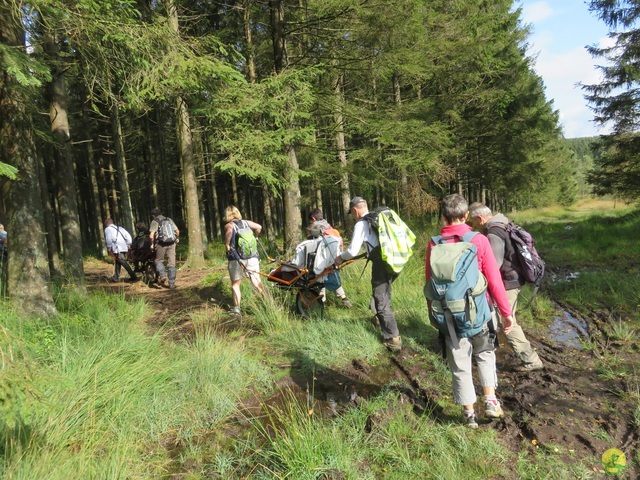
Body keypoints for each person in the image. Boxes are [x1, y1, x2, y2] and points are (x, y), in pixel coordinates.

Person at [425, 194, 514, 428]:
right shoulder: (478, 240)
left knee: (459, 362)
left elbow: (429, 284)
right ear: (466, 215)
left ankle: (469, 414)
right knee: (485, 354)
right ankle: (491, 402)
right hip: (479, 311)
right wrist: (506, 312)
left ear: (442, 216)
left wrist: (434, 315)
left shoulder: (434, 244)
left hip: (447, 313)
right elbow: (494, 279)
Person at [468, 202, 545, 372]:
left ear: (480, 218)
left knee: (508, 322)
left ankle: (531, 360)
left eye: (473, 223)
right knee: (506, 318)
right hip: (515, 279)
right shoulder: (504, 222)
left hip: (508, 283)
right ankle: (491, 347)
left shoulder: (494, 232)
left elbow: (493, 265)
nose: (474, 227)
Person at [334, 196, 402, 351]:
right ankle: (379, 319)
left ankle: (393, 338)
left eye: (351, 213)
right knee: (385, 293)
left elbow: (352, 251)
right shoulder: (379, 219)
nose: (352, 216)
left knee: (380, 299)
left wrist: (340, 258)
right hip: (394, 260)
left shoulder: (362, 224)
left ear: (355, 210)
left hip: (381, 264)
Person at [307, 208, 352, 309]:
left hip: (322, 259)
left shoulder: (314, 227)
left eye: (310, 220)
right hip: (335, 257)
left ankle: (321, 302)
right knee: (332, 276)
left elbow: (310, 245)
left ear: (313, 219)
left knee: (319, 278)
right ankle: (344, 298)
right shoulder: (329, 226)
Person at [224, 206, 264, 315]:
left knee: (235, 284)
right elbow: (259, 227)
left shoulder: (229, 225)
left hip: (236, 259)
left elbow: (228, 233)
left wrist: (227, 244)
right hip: (252, 257)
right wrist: (256, 237)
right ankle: (268, 303)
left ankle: (237, 309)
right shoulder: (246, 223)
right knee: (256, 282)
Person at [149, 208, 180, 289]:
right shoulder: (169, 219)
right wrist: (176, 238)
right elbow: (177, 231)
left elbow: (151, 235)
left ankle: (163, 275)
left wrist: (151, 244)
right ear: (161, 213)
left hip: (161, 244)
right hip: (172, 243)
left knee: (158, 260)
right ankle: (172, 284)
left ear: (153, 215)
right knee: (172, 263)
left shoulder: (155, 221)